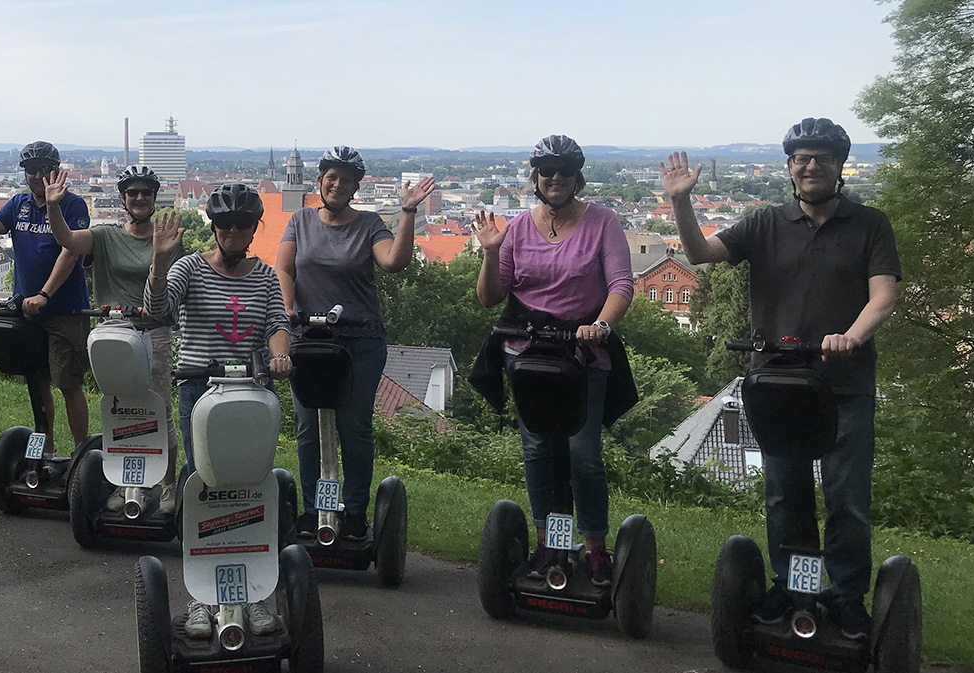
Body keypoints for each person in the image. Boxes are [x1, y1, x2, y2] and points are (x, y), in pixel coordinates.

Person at [662, 118, 900, 639]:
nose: (810, 166)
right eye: (800, 158)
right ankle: (794, 586)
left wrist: (852, 335)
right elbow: (700, 256)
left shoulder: (869, 224)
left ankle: (844, 596)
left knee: (847, 498)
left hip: (844, 382)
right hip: (779, 382)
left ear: (840, 165)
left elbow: (883, 294)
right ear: (790, 168)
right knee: (785, 493)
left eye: (821, 158)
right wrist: (681, 202)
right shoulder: (764, 223)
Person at [471, 135, 636, 588]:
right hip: (527, 355)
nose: (556, 178)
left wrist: (600, 327)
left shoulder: (603, 221)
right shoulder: (519, 228)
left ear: (577, 176)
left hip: (582, 353)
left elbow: (621, 285)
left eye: (564, 170)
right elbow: (489, 298)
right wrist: (489, 252)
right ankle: (548, 541)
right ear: (536, 177)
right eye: (547, 171)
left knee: (583, 454)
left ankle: (595, 547)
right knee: (539, 449)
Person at [145, 182, 291, 640]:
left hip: (250, 393)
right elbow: (158, 311)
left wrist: (280, 355)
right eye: (224, 224)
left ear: (253, 228)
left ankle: (254, 594)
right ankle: (201, 597)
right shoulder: (189, 268)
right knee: (203, 485)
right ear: (214, 225)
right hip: (200, 391)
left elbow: (277, 323)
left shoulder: (266, 276)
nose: (232, 231)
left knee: (250, 485)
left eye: (242, 224)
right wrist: (160, 261)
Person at [274, 145, 436, 541]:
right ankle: (315, 511)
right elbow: (283, 266)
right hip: (309, 340)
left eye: (346, 180)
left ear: (355, 187)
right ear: (320, 181)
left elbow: (394, 262)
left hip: (359, 340)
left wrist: (408, 212)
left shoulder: (369, 224)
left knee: (354, 426)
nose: (337, 184)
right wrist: (286, 308)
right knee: (309, 427)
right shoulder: (300, 220)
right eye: (331, 177)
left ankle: (355, 512)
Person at [44, 165, 182, 514]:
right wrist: (54, 207)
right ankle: (126, 481)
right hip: (115, 334)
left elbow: (172, 288)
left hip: (155, 334)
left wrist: (162, 259)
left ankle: (167, 485)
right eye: (132, 193)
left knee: (158, 408)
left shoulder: (164, 238)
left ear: (154, 198)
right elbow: (68, 242)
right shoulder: (105, 236)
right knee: (120, 408)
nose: (139, 198)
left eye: (145, 193)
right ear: (123, 198)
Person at [0, 142, 91, 463]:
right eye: (31, 170)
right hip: (27, 310)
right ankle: (46, 450)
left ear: (57, 170)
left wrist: (45, 294)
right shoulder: (18, 204)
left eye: (44, 169)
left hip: (64, 310)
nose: (37, 175)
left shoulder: (73, 205)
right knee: (38, 382)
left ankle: (80, 454)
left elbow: (71, 252)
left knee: (68, 383)